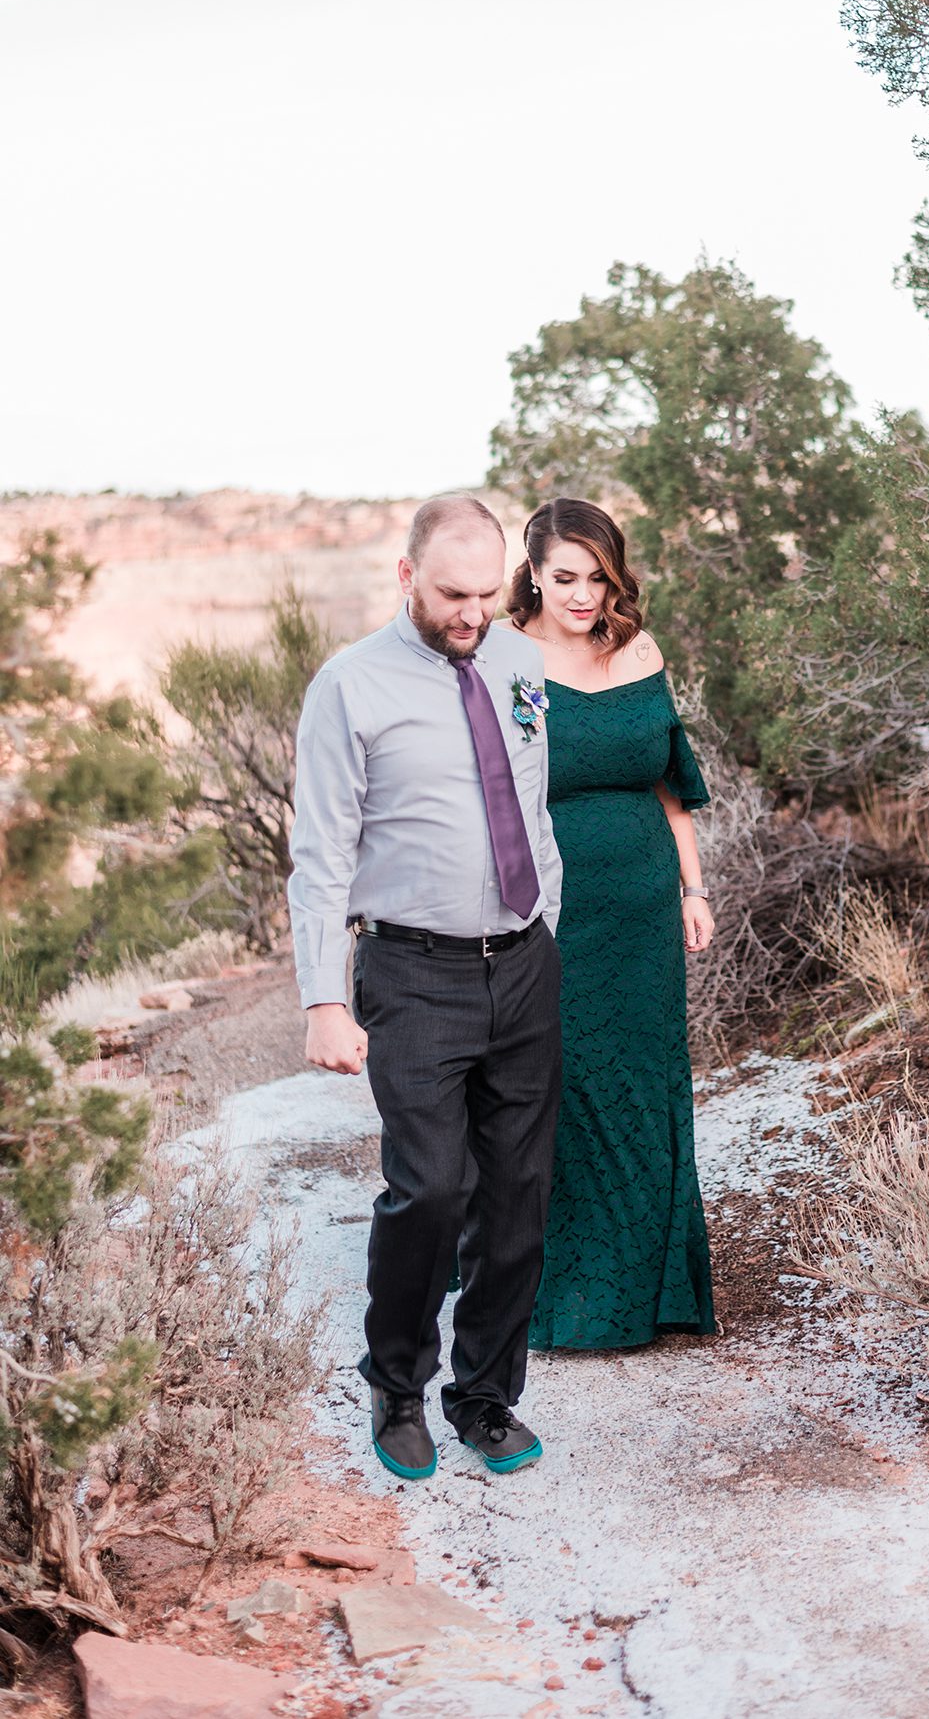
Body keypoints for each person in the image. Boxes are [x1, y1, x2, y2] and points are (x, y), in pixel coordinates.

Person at [287, 494, 564, 1481]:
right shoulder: (349, 688)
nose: (472, 614)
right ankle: (396, 1387)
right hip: (412, 971)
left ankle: (484, 1398)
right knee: (432, 1186)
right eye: (453, 593)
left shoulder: (522, 666)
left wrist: (547, 929)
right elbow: (318, 853)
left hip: (524, 964)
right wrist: (325, 995)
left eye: (489, 594)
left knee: (520, 1195)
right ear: (405, 576)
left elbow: (529, 802)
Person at [507, 497, 718, 1349]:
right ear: (531, 576)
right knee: (566, 1087)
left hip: (643, 904)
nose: (584, 594)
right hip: (553, 906)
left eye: (597, 577)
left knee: (646, 1082)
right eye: (564, 578)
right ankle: (567, 1300)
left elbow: (671, 786)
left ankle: (655, 1294)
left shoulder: (639, 650)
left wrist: (693, 891)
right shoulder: (506, 657)